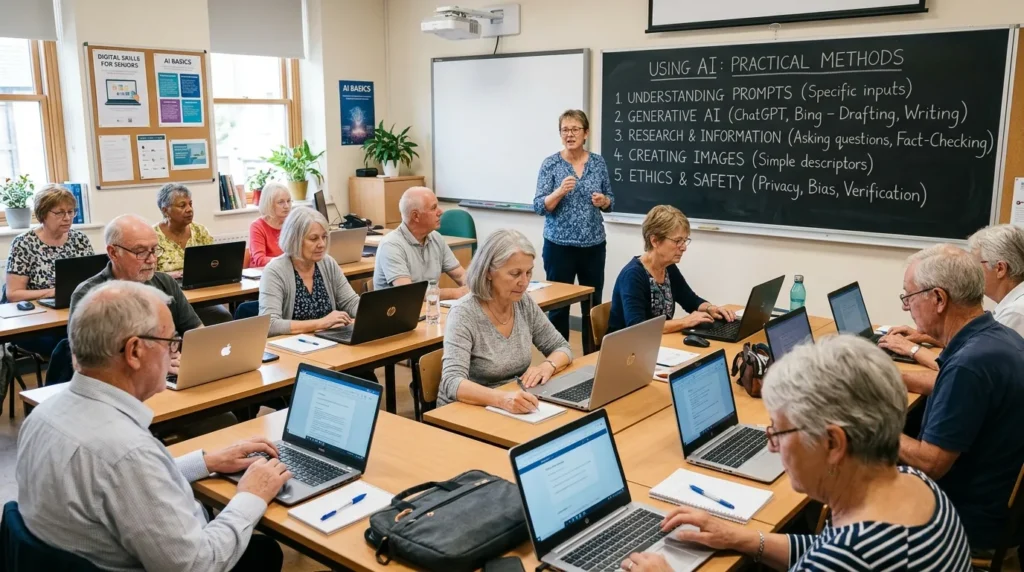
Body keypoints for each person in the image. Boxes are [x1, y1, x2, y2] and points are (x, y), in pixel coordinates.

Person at [621, 335, 972, 572]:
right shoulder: (915, 484)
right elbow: (825, 545)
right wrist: (743, 538)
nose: (771, 445)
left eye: (779, 432)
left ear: (833, 444)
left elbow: (835, 555)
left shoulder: (846, 557)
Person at [16, 280, 291, 571]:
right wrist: (251, 495)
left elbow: (125, 490)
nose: (175, 353)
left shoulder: (42, 416)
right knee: (263, 551)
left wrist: (206, 462)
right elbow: (198, 565)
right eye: (171, 342)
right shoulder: (128, 453)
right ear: (134, 352)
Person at [892, 244, 1024, 553]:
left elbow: (930, 464)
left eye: (909, 297)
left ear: (938, 299)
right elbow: (952, 386)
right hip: (998, 508)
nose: (905, 308)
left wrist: (862, 424)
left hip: (963, 520)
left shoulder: (970, 364)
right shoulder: (999, 339)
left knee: (840, 476)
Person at [440, 229, 572, 413]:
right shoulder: (464, 313)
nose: (524, 282)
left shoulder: (523, 302)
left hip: (511, 400)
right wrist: (503, 400)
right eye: (515, 274)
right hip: (465, 410)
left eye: (528, 273)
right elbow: (452, 382)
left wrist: (547, 366)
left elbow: (561, 347)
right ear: (488, 272)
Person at [880, 224, 1024, 392]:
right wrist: (929, 337)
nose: (969, 270)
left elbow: (966, 371)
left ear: (1000, 268)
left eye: (976, 264)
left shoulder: (1016, 312)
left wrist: (911, 351)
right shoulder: (1011, 304)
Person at [71, 214, 203, 375]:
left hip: (171, 371)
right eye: (141, 252)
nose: (152, 259)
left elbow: (198, 333)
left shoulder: (165, 283)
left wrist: (193, 359)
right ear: (113, 253)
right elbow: (85, 365)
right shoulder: (88, 295)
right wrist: (154, 366)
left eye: (154, 250)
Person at [533, 109, 614, 340]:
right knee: (558, 306)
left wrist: (604, 201)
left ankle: (593, 356)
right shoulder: (550, 164)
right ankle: (560, 357)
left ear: (586, 133)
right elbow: (539, 206)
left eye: (574, 129)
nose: (569, 134)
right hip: (559, 246)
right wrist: (559, 192)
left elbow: (611, 201)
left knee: (592, 304)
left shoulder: (598, 163)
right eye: (565, 130)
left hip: (593, 246)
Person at [608, 205, 734, 334]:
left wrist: (710, 309)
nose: (684, 247)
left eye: (685, 240)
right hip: (629, 348)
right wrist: (685, 322)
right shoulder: (633, 275)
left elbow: (690, 300)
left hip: (657, 343)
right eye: (677, 241)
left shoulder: (668, 267)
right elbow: (637, 327)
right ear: (655, 240)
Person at [259, 207, 359, 336]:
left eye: (324, 237)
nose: (322, 244)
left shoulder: (328, 263)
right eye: (313, 239)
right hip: (293, 347)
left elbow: (351, 302)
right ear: (294, 240)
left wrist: (374, 313)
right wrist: (321, 323)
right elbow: (270, 324)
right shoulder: (275, 271)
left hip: (328, 341)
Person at [372, 186, 468, 299]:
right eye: (434, 208)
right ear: (416, 216)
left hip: (429, 310)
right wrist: (456, 293)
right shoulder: (391, 245)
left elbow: (460, 275)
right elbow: (410, 293)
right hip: (397, 313)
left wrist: (472, 287)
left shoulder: (436, 238)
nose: (440, 212)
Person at [5, 183, 94, 303]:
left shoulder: (80, 239)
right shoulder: (23, 243)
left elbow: (93, 280)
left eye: (70, 211)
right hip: (39, 312)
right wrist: (52, 292)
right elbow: (13, 294)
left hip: (75, 305)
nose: (67, 218)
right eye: (60, 213)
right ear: (43, 213)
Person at [152, 183, 213, 277]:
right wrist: (170, 276)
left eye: (190, 204)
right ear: (165, 210)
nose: (189, 209)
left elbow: (213, 263)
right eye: (182, 205)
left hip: (199, 286)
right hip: (167, 288)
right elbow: (148, 276)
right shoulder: (151, 236)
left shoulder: (200, 231)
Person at [248, 181, 291, 268]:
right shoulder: (257, 226)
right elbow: (260, 260)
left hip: (286, 271)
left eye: (288, 201)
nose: (286, 206)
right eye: (281, 202)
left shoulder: (292, 223)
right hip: (264, 273)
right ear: (269, 204)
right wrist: (288, 262)